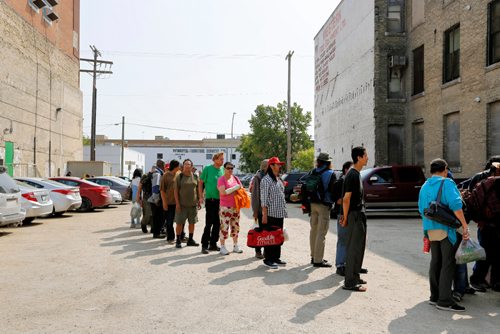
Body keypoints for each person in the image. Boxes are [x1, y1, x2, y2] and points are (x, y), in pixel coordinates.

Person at [418, 158, 470, 312]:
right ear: (445, 169)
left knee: (436, 262)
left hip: (431, 229)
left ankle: (434, 297)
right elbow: (456, 206)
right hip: (447, 229)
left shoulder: (424, 186)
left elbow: (421, 209)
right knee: (448, 264)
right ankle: (445, 300)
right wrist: (465, 226)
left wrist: (426, 230)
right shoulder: (447, 183)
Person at [340, 146, 369, 292]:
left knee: (359, 247)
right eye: (365, 155)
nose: (367, 158)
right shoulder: (352, 174)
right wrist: (345, 218)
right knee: (353, 248)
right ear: (359, 157)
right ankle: (350, 282)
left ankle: (355, 276)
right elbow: (346, 199)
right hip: (354, 215)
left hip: (359, 214)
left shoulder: (356, 173)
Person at [469, 161, 500, 292]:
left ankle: (496, 282)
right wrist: (479, 219)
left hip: (492, 224)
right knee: (485, 254)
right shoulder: (486, 183)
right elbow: (472, 201)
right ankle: (477, 280)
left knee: (497, 255)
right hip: (487, 225)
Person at [309, 152, 337, 268]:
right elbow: (333, 191)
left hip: (312, 204)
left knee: (313, 231)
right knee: (322, 232)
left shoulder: (313, 171)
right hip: (323, 205)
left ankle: (313, 256)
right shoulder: (331, 174)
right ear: (328, 162)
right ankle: (318, 260)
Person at [260, 156, 288, 269]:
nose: (280, 166)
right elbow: (264, 199)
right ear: (271, 166)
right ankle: (268, 259)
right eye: (277, 164)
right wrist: (264, 215)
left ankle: (276, 257)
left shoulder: (277, 178)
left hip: (280, 213)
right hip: (271, 214)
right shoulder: (266, 180)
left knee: (278, 236)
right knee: (270, 236)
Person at [174, 159, 203, 248]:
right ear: (183, 166)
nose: (187, 165)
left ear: (191, 166)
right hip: (182, 205)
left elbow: (198, 189)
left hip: (192, 205)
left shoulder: (195, 176)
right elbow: (175, 191)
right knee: (179, 223)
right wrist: (177, 204)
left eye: (189, 164)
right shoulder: (180, 176)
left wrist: (199, 200)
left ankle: (190, 239)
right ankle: (178, 240)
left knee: (192, 223)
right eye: (185, 164)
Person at [216, 162, 243, 255]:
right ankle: (222, 247)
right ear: (224, 169)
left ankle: (235, 245)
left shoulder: (235, 178)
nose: (230, 170)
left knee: (235, 226)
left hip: (236, 206)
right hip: (225, 207)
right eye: (228, 168)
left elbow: (241, 189)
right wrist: (235, 188)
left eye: (232, 168)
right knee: (224, 226)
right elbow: (223, 192)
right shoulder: (221, 179)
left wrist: (236, 188)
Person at [200, 152, 224, 254]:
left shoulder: (223, 170)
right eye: (221, 159)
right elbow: (200, 183)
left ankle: (213, 244)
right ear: (215, 159)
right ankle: (204, 245)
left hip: (221, 201)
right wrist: (201, 196)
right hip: (211, 200)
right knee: (209, 223)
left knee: (218, 224)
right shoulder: (208, 168)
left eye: (223, 159)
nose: (222, 161)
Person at [334, 161, 353, 275]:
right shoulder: (340, 183)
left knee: (352, 240)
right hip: (342, 214)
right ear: (346, 170)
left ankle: (352, 264)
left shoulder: (353, 181)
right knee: (342, 240)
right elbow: (338, 200)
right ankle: (340, 265)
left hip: (353, 214)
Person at [249, 159, 269, 259]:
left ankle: (266, 251)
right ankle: (258, 251)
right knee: (260, 231)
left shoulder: (271, 176)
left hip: (270, 211)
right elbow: (255, 195)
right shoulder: (258, 177)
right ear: (265, 167)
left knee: (267, 232)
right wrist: (255, 211)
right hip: (260, 211)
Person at [160, 160, 180, 244]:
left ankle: (180, 236)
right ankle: (170, 237)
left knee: (180, 221)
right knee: (169, 221)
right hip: (169, 202)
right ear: (175, 166)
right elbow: (162, 190)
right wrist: (164, 202)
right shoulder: (166, 176)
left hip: (178, 202)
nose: (179, 167)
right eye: (178, 166)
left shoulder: (179, 174)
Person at [137, 165, 155, 233]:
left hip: (155, 197)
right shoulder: (145, 176)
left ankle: (153, 228)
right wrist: (138, 197)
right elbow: (140, 186)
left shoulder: (158, 175)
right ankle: (143, 224)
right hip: (146, 197)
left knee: (153, 214)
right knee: (147, 214)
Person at [150, 160, 165, 239]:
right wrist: (156, 199)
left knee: (157, 216)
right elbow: (155, 187)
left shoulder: (156, 172)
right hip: (156, 199)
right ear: (162, 165)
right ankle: (156, 233)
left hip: (154, 198)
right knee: (158, 217)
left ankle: (156, 232)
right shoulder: (157, 174)